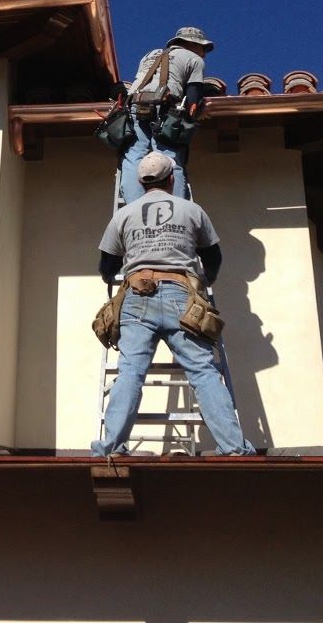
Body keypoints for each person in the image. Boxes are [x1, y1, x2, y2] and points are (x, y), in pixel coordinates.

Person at [93, 151, 254, 456]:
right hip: (183, 295)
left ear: (141, 182)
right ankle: (233, 448)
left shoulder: (124, 215)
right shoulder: (192, 210)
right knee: (203, 371)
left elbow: (106, 267)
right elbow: (213, 257)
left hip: (137, 298)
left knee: (129, 372)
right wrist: (204, 282)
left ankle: (111, 448)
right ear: (171, 179)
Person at [119, 25, 214, 206]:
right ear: (191, 44)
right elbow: (193, 97)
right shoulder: (194, 60)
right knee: (169, 155)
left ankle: (135, 205)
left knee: (134, 155)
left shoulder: (150, 55)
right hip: (164, 105)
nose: (204, 53)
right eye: (203, 48)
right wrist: (194, 115)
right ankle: (174, 206)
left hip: (134, 105)